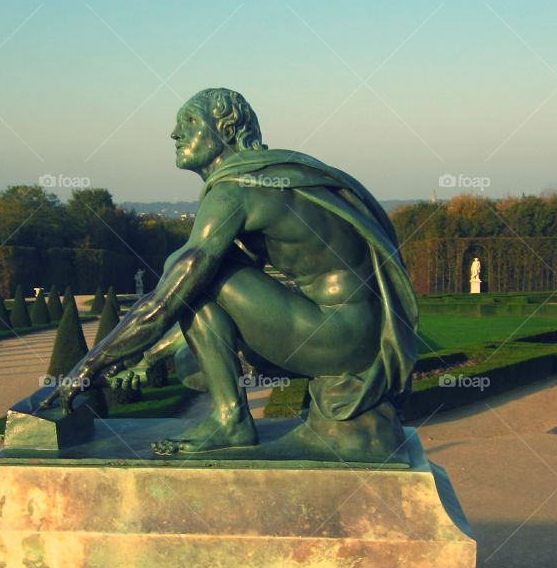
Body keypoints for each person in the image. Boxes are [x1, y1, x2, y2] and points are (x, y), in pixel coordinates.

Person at [52, 88, 418, 457]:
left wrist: (87, 366)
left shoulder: (234, 193)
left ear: (226, 130)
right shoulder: (270, 176)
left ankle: (231, 421)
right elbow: (217, 303)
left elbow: (167, 300)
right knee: (189, 356)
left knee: (189, 271)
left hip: (339, 338)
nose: (175, 134)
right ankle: (229, 417)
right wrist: (149, 358)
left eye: (190, 122)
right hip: (357, 331)